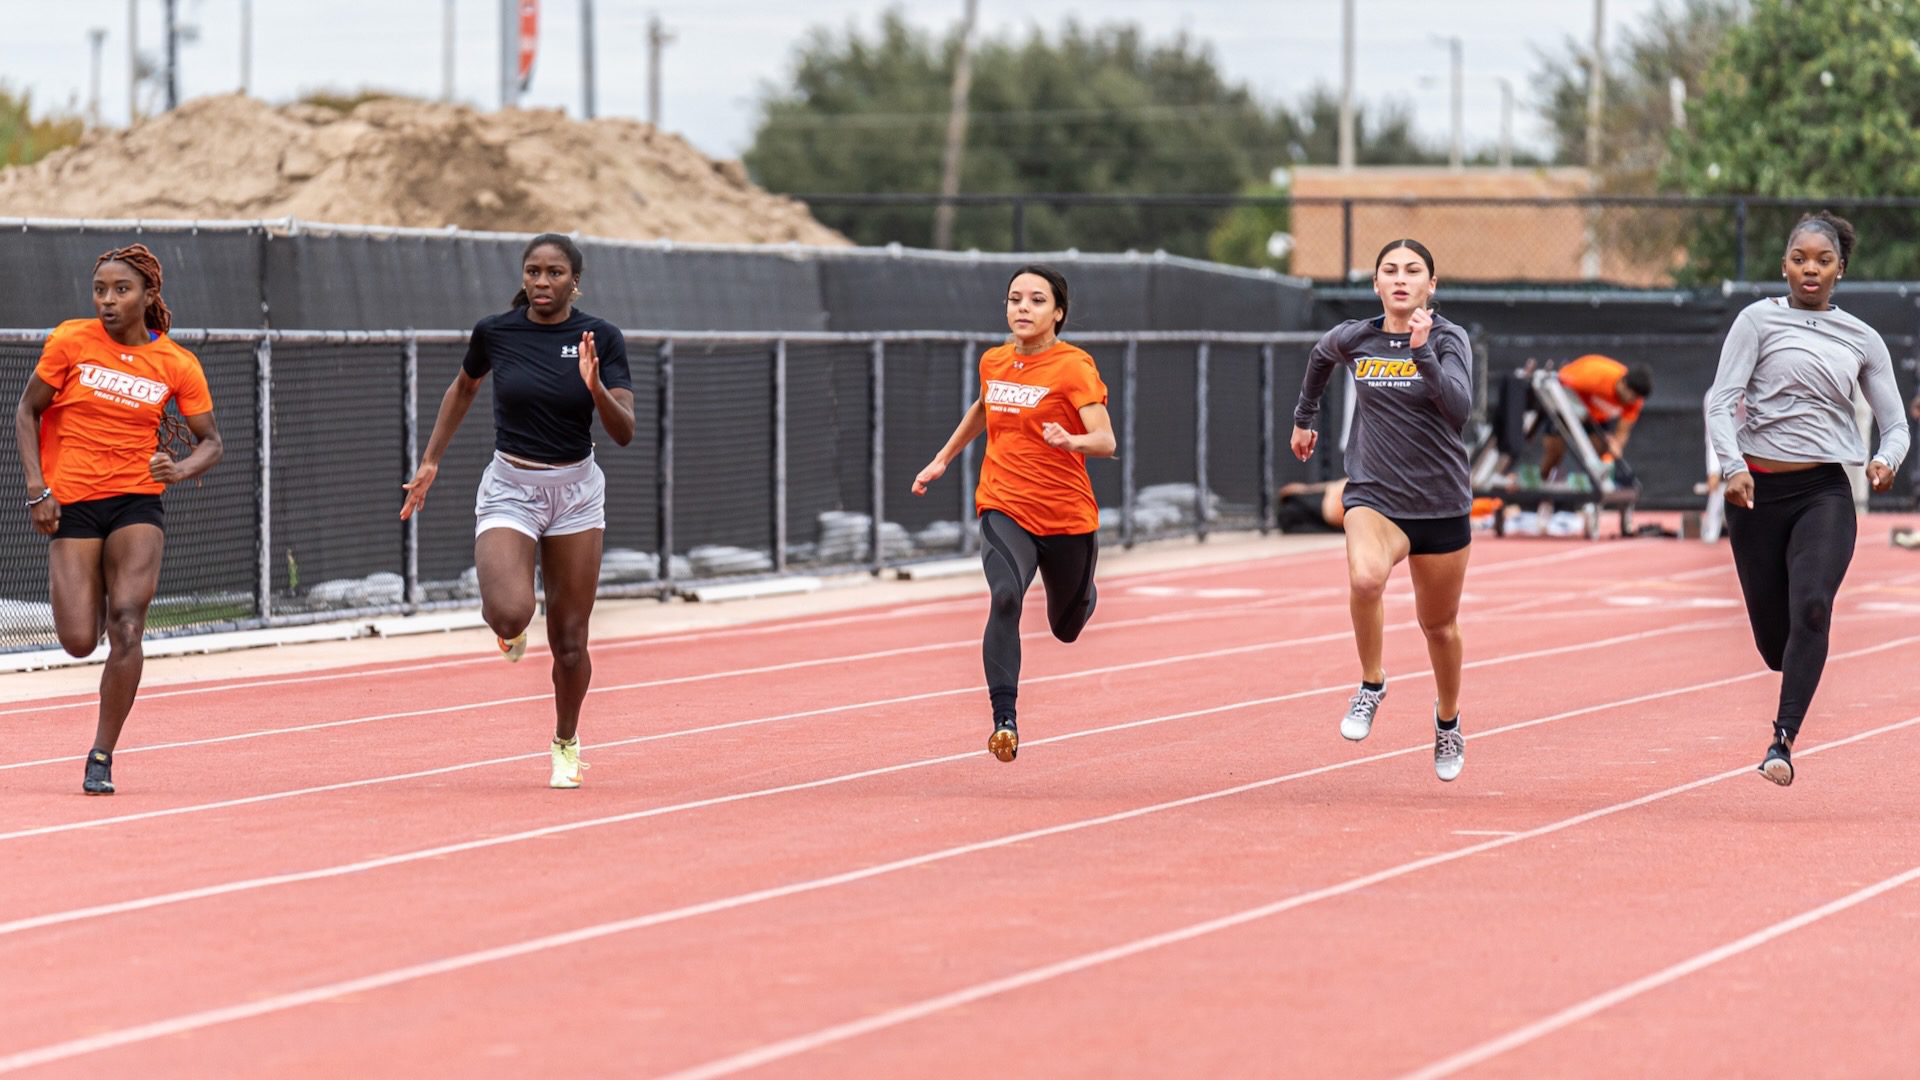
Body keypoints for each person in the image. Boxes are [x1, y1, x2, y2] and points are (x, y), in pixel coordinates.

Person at [400, 233, 635, 789]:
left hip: (576, 492)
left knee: (571, 639)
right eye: (533, 271)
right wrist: (431, 460)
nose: (542, 283)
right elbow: (463, 387)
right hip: (511, 484)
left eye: (555, 273)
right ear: (523, 277)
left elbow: (624, 432)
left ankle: (565, 742)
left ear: (575, 280)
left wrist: (596, 385)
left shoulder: (600, 337)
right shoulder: (496, 332)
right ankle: (509, 633)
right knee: (508, 612)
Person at [1705, 211, 1908, 787]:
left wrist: (1885, 461)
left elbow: (1895, 425)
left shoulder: (1862, 339)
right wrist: (1733, 467)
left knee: (1814, 608)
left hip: (1824, 492)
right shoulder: (1757, 321)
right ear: (1784, 265)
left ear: (1841, 269)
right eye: (1800, 259)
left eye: (1822, 261)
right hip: (1756, 496)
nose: (1810, 270)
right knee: (1777, 646)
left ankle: (1782, 740)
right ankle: (1790, 678)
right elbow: (1723, 402)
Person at [13, 243, 224, 795]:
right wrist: (39, 489)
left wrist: (178, 470)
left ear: (148, 296)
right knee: (81, 640)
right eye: (100, 290)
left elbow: (211, 442)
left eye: (121, 290)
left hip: (136, 500)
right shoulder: (71, 341)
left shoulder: (176, 363)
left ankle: (101, 754)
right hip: (75, 502)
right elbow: (27, 410)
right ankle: (87, 585)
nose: (108, 300)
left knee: (127, 623)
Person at [911, 265, 1114, 763]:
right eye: (1015, 299)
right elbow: (984, 407)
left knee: (1066, 628)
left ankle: (1083, 592)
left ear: (1058, 313)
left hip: (1066, 516)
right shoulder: (994, 361)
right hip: (1004, 502)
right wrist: (943, 458)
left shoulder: (1073, 366)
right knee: (1005, 597)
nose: (1023, 308)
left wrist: (1073, 441)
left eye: (1037, 300)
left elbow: (1106, 441)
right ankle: (1005, 720)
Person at [1292, 238, 1474, 782]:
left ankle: (1447, 721)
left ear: (1430, 285)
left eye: (1413, 270)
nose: (1400, 278)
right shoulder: (1356, 337)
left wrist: (1421, 350)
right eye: (1389, 270)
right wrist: (1305, 416)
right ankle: (1372, 683)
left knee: (1438, 626)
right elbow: (1321, 356)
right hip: (1375, 494)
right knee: (1366, 579)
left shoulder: (1447, 339)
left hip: (1440, 503)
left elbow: (1460, 409)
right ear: (1376, 284)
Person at [1539, 353, 1652, 479]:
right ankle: (1542, 480)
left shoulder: (1635, 402)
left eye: (1635, 398)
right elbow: (1557, 384)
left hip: (1594, 419)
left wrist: (1615, 449)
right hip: (1567, 407)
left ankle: (1587, 485)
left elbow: (1623, 431)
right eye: (1631, 396)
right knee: (1555, 451)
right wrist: (1572, 411)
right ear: (1623, 384)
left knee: (1602, 448)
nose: (1631, 401)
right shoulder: (1594, 377)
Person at [1274, 478, 1349, 534]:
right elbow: (1335, 485)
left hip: (1328, 510)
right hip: (1327, 502)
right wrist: (1307, 489)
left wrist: (1307, 489)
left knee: (1287, 514)